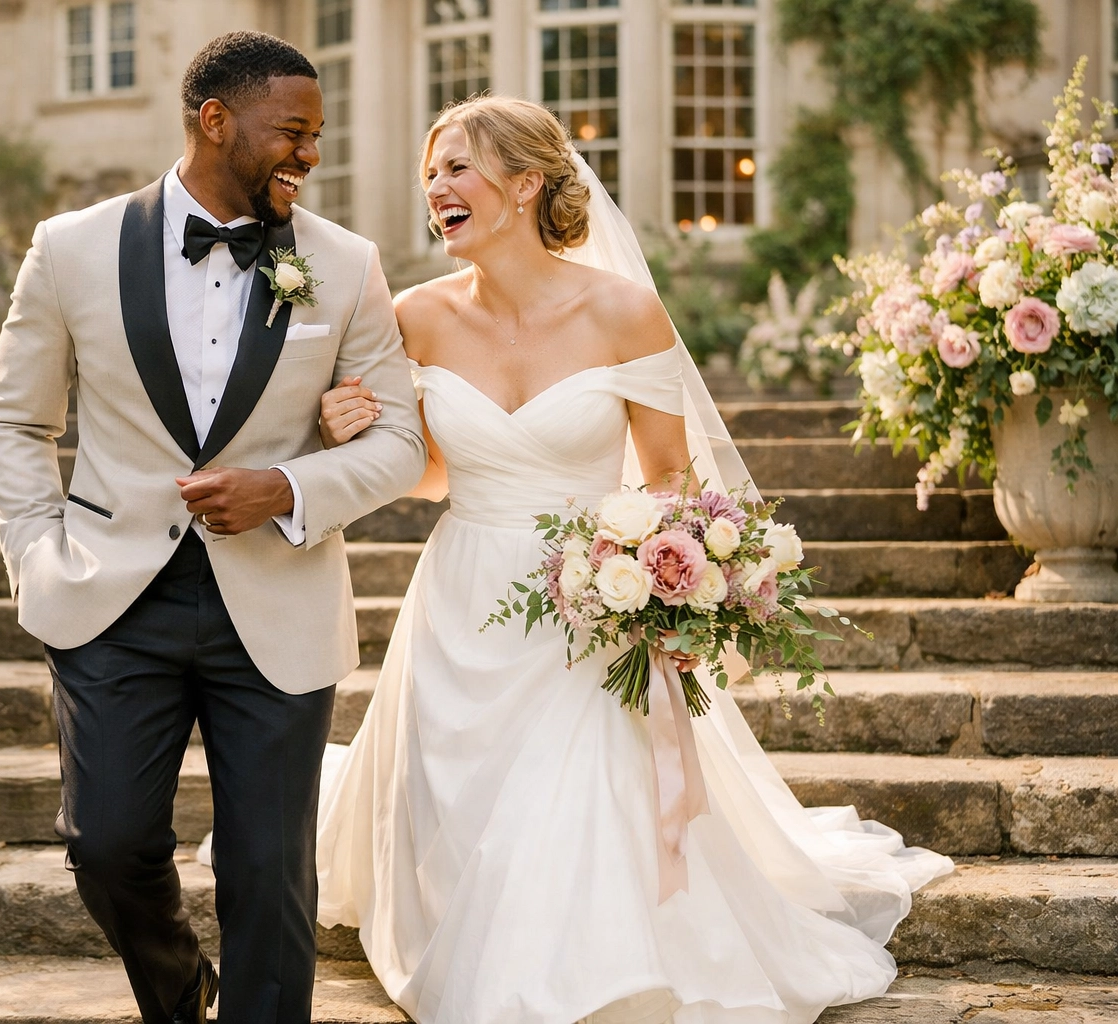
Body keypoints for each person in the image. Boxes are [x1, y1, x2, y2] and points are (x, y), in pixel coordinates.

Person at [312, 95, 954, 1024]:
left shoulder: (623, 311)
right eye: (430, 176)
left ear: (526, 182)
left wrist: (667, 586)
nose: (436, 190)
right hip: (463, 597)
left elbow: (672, 481)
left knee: (577, 797)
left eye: (456, 168)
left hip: (590, 604)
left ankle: (577, 973)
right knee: (471, 806)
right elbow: (430, 472)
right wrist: (352, 430)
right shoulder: (414, 316)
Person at [0, 31, 426, 1024]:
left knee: (269, 873)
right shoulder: (71, 246)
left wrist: (288, 487)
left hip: (276, 599)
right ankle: (180, 995)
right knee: (108, 845)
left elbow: (398, 440)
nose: (309, 153)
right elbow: (15, 420)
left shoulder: (346, 265)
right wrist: (33, 552)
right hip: (109, 596)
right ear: (214, 119)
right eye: (292, 132)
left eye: (317, 134)